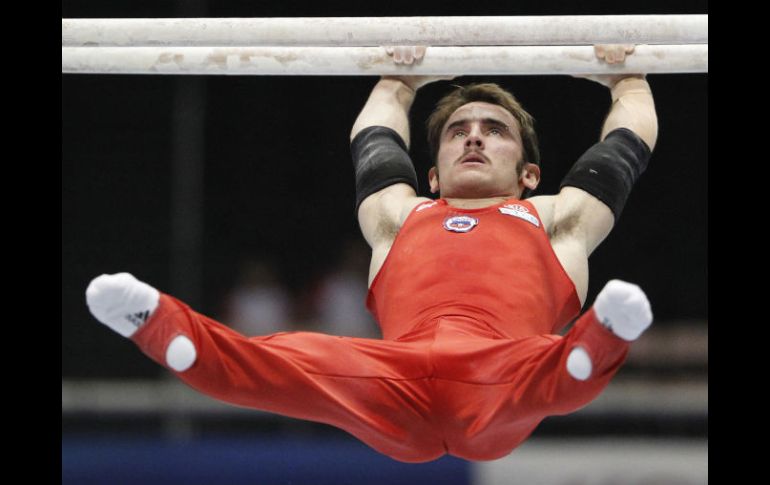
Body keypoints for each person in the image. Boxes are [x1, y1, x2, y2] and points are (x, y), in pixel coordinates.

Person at [85, 44, 656, 463]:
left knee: (545, 365)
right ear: (431, 175)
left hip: (497, 376)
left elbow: (625, 148)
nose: (475, 136)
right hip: (393, 379)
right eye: (458, 130)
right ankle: (166, 330)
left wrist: (628, 81)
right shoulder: (400, 217)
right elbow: (375, 140)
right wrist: (397, 83)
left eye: (494, 130)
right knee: (287, 359)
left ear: (531, 173)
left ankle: (596, 346)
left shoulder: (557, 219)